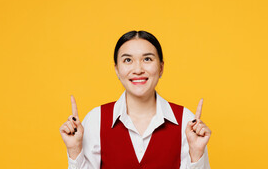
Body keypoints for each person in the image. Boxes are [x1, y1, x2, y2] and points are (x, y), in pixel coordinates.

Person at [60, 30, 212, 169]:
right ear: (117, 70)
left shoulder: (186, 120)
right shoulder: (96, 119)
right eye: (127, 60)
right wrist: (74, 151)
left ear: (161, 68)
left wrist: (197, 155)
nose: (138, 69)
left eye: (147, 59)